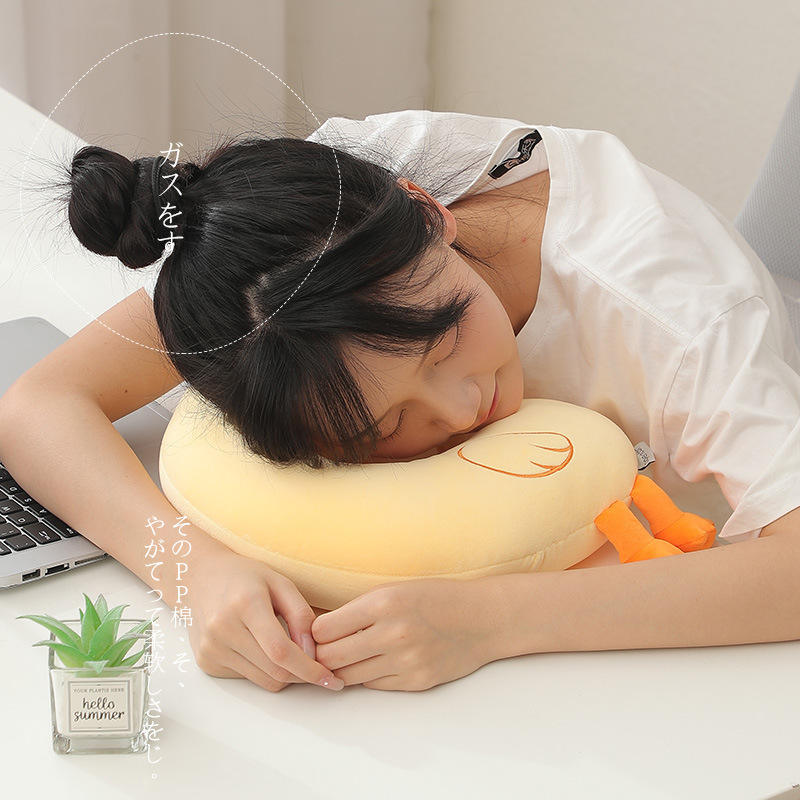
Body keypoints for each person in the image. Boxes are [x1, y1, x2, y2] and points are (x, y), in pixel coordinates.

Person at [2, 110, 799, 694]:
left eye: (444, 341)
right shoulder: (268, 264)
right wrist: (191, 571)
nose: (459, 410)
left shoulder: (680, 322)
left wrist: (492, 620)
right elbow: (40, 404)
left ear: (428, 212)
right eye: (384, 425)